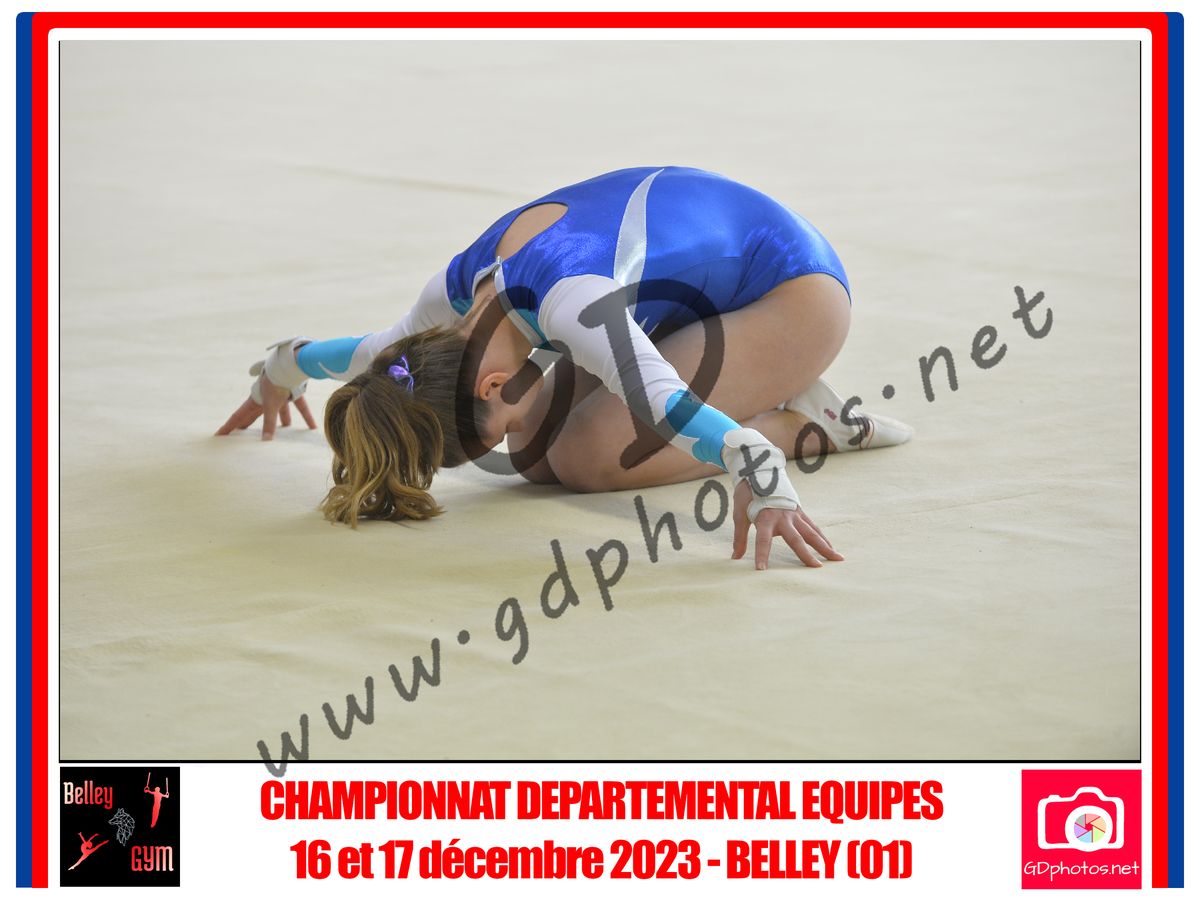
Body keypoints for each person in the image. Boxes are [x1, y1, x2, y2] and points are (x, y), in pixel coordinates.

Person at [217, 166, 912, 569]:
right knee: (538, 457)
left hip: (793, 293)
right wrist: (283, 367)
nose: (508, 437)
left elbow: (664, 404)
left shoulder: (575, 305)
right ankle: (760, 389)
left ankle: (808, 422)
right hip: (689, 299)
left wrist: (760, 470)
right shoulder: (448, 310)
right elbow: (366, 358)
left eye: (494, 429)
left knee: (586, 459)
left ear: (493, 386)